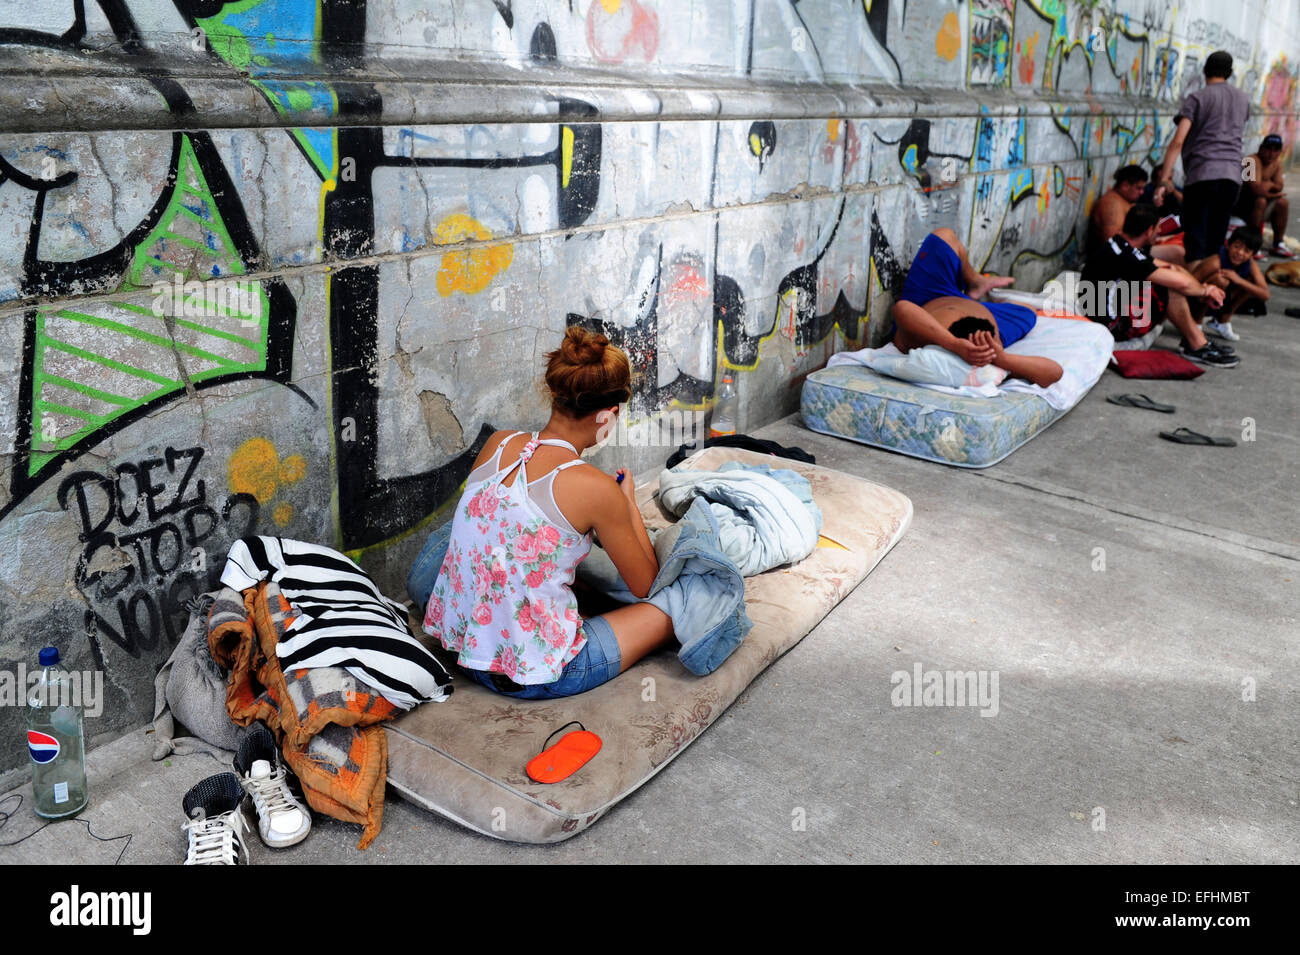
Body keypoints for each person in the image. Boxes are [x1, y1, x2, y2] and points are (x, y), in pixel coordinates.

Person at [422, 327, 673, 699]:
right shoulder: (598, 489)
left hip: (463, 650)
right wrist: (628, 504)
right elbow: (646, 584)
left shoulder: (498, 442)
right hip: (535, 674)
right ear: (608, 415)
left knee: (495, 529)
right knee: (671, 607)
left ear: (554, 394)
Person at [889, 228, 1063, 387]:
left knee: (945, 235)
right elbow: (1055, 372)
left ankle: (975, 281)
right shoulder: (986, 360)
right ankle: (977, 286)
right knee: (1029, 311)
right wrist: (1002, 358)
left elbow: (903, 308)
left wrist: (955, 344)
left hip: (929, 300)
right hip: (979, 313)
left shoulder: (922, 338)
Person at [1079, 204, 1237, 367]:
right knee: (1169, 288)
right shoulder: (1126, 256)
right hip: (1112, 326)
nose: (1159, 232)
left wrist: (1202, 289)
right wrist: (1204, 291)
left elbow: (1172, 269)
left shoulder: (1120, 244)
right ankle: (1197, 345)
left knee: (1170, 277)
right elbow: (1179, 282)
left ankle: (1196, 336)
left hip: (1109, 312)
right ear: (1149, 231)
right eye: (1158, 228)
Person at [1157, 50, 1251, 266]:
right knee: (1215, 241)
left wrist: (1165, 177)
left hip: (1202, 175)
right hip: (1231, 177)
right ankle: (1208, 290)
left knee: (1195, 242)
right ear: (1229, 73)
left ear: (1205, 70)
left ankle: (1193, 294)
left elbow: (1178, 141)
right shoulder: (1243, 99)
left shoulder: (1197, 98)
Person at [1089, 164, 1185, 265]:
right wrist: (1145, 239)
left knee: (1181, 242)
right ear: (1125, 185)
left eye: (1143, 188)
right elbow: (1112, 244)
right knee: (1177, 253)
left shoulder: (1125, 200)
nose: (1142, 192)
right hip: (1122, 257)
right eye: (1138, 188)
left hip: (1136, 247)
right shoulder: (1111, 206)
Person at [1190, 226, 1270, 341]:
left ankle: (1222, 321)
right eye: (1237, 247)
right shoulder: (1215, 262)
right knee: (1220, 279)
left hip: (1220, 302)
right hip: (1196, 301)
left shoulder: (1250, 264)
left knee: (1251, 284)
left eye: (1246, 251)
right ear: (1228, 244)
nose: (1240, 253)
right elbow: (1189, 284)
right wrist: (1205, 289)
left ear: (1252, 255)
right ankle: (1196, 323)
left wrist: (1239, 280)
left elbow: (1265, 294)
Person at [1234, 134, 1293, 258]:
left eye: (1275, 150)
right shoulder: (1250, 160)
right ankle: (1252, 244)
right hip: (1241, 205)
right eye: (1268, 149)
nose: (1271, 154)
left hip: (1260, 204)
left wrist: (1268, 184)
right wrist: (1273, 189)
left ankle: (1278, 243)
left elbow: (1279, 185)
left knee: (1283, 203)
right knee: (1261, 201)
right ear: (1261, 148)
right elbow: (1255, 190)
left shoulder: (1276, 162)